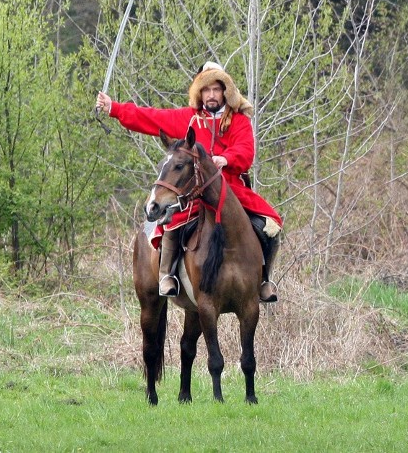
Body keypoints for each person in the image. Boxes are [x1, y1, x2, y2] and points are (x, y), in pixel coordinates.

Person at [96, 62, 282, 302]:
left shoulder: (238, 121)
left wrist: (226, 158)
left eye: (216, 89)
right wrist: (114, 108)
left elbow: (246, 151)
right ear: (199, 93)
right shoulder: (190, 119)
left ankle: (264, 279)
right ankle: (167, 274)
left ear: (225, 91)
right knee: (173, 222)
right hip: (196, 193)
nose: (211, 95)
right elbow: (151, 117)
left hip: (232, 191)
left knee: (271, 226)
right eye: (206, 90)